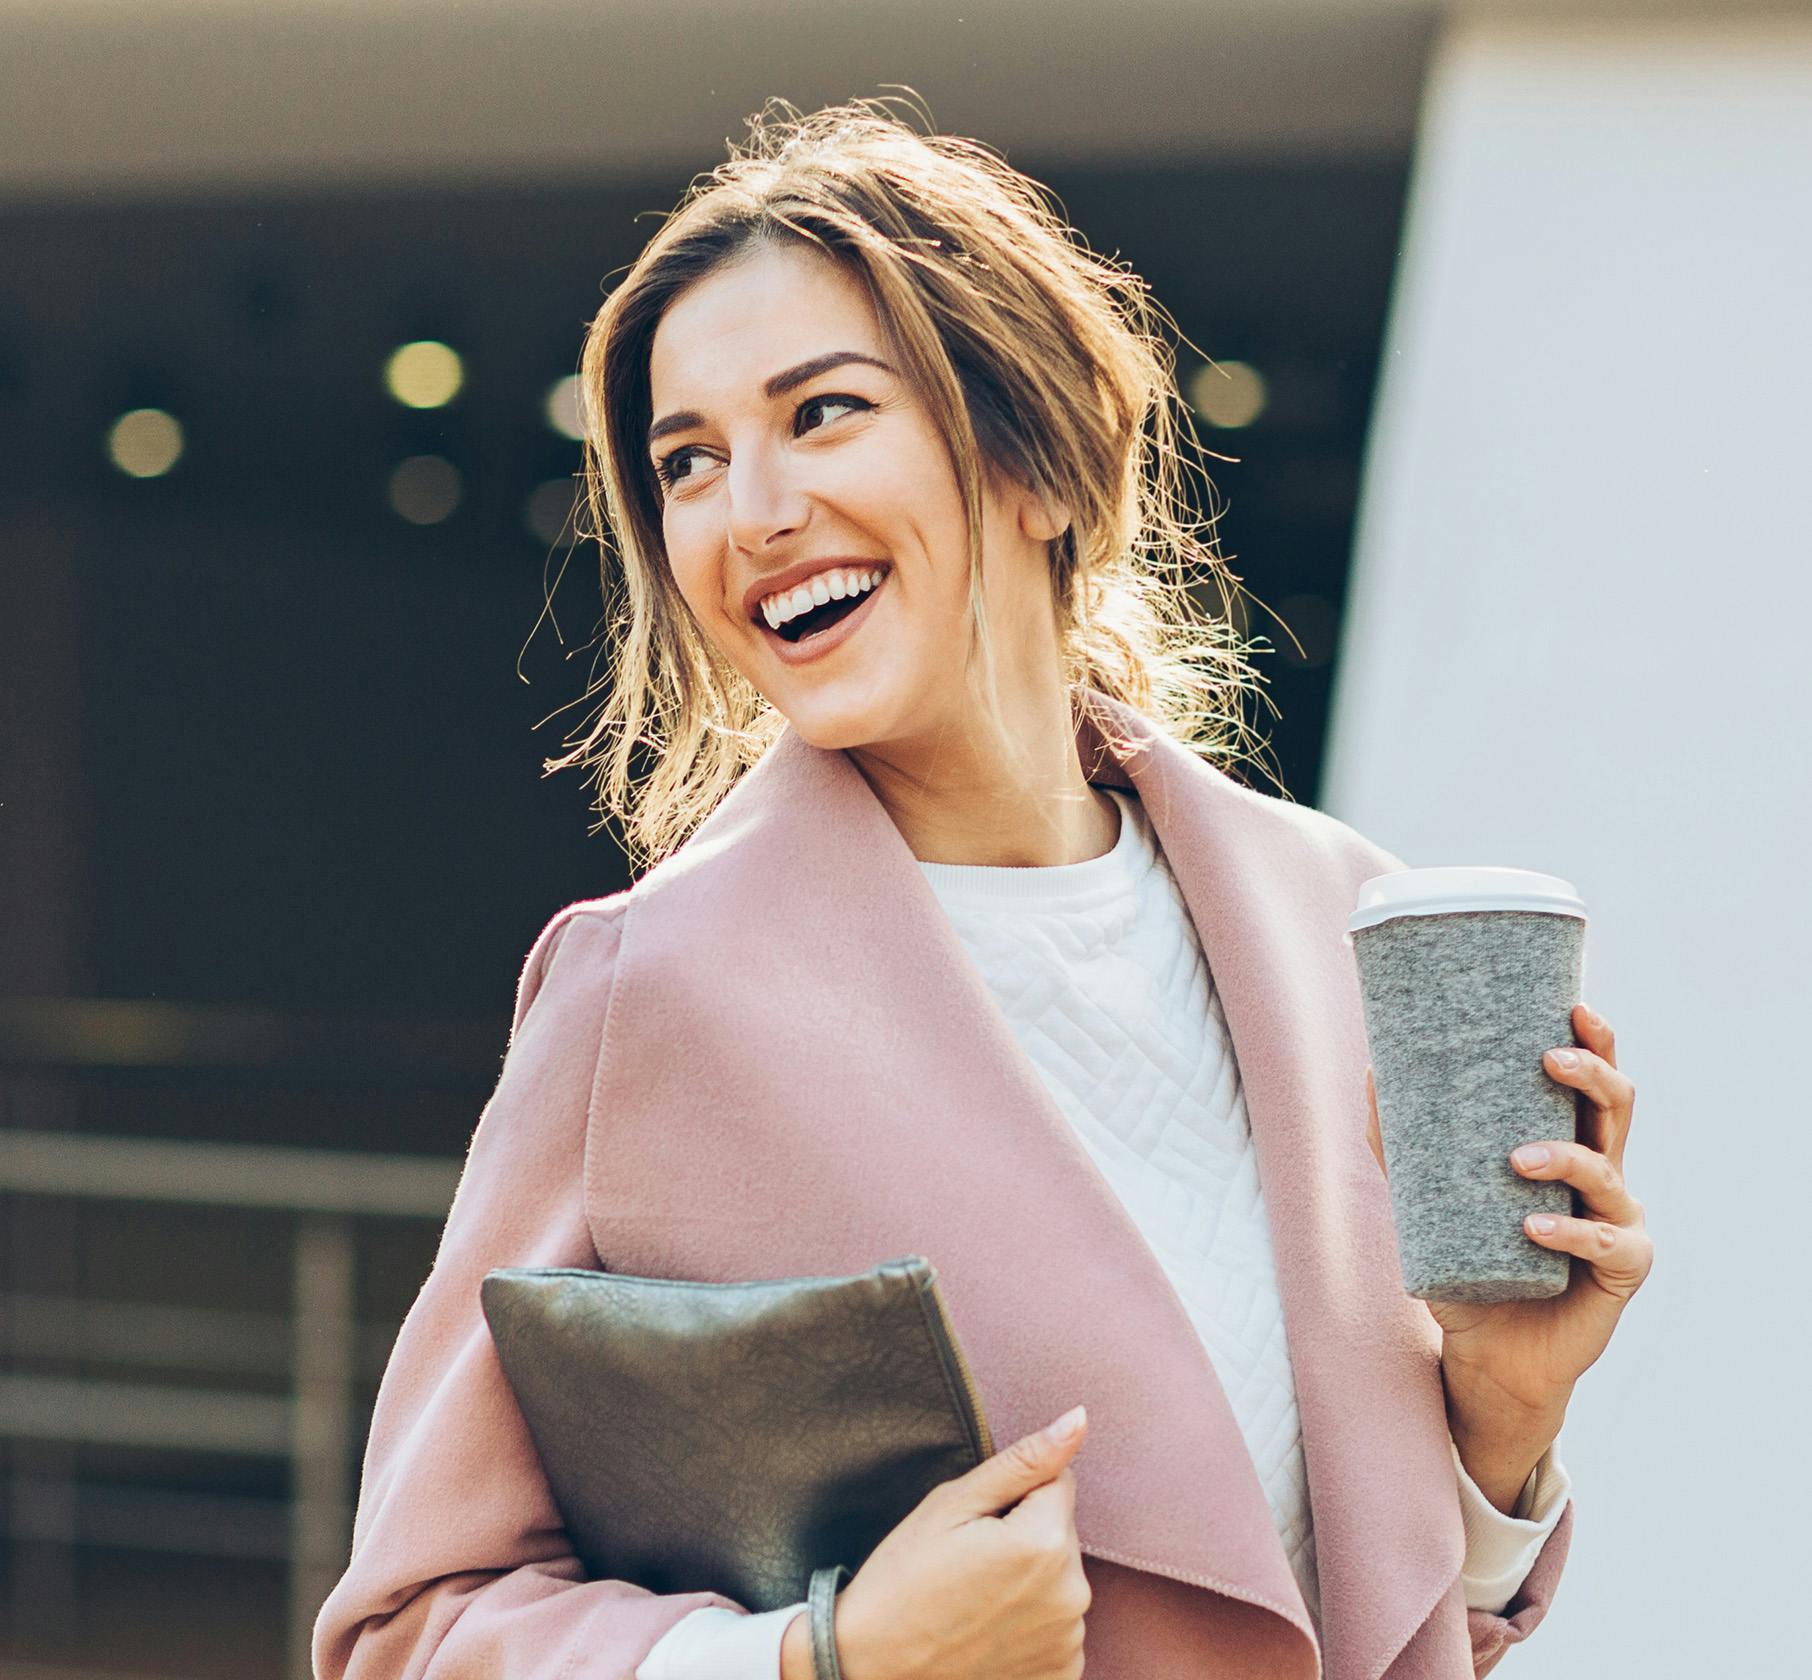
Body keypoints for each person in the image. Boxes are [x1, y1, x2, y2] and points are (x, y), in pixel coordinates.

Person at [312, 96, 1651, 1680]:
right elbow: (414, 1627)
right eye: (689, 462)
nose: (754, 513)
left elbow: (1359, 1623)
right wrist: (824, 1657)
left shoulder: (1335, 926)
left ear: (1041, 457)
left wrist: (1501, 1422)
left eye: (823, 413)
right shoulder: (650, 997)